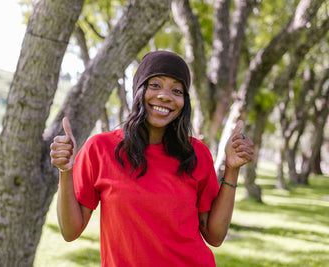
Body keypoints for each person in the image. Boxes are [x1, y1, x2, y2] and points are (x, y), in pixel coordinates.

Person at [50, 50, 254, 267]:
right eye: (155, 85)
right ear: (139, 90)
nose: (165, 96)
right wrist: (65, 171)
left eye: (176, 90)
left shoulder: (197, 154)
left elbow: (215, 237)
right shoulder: (100, 149)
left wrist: (232, 169)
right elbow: (70, 231)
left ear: (183, 101)